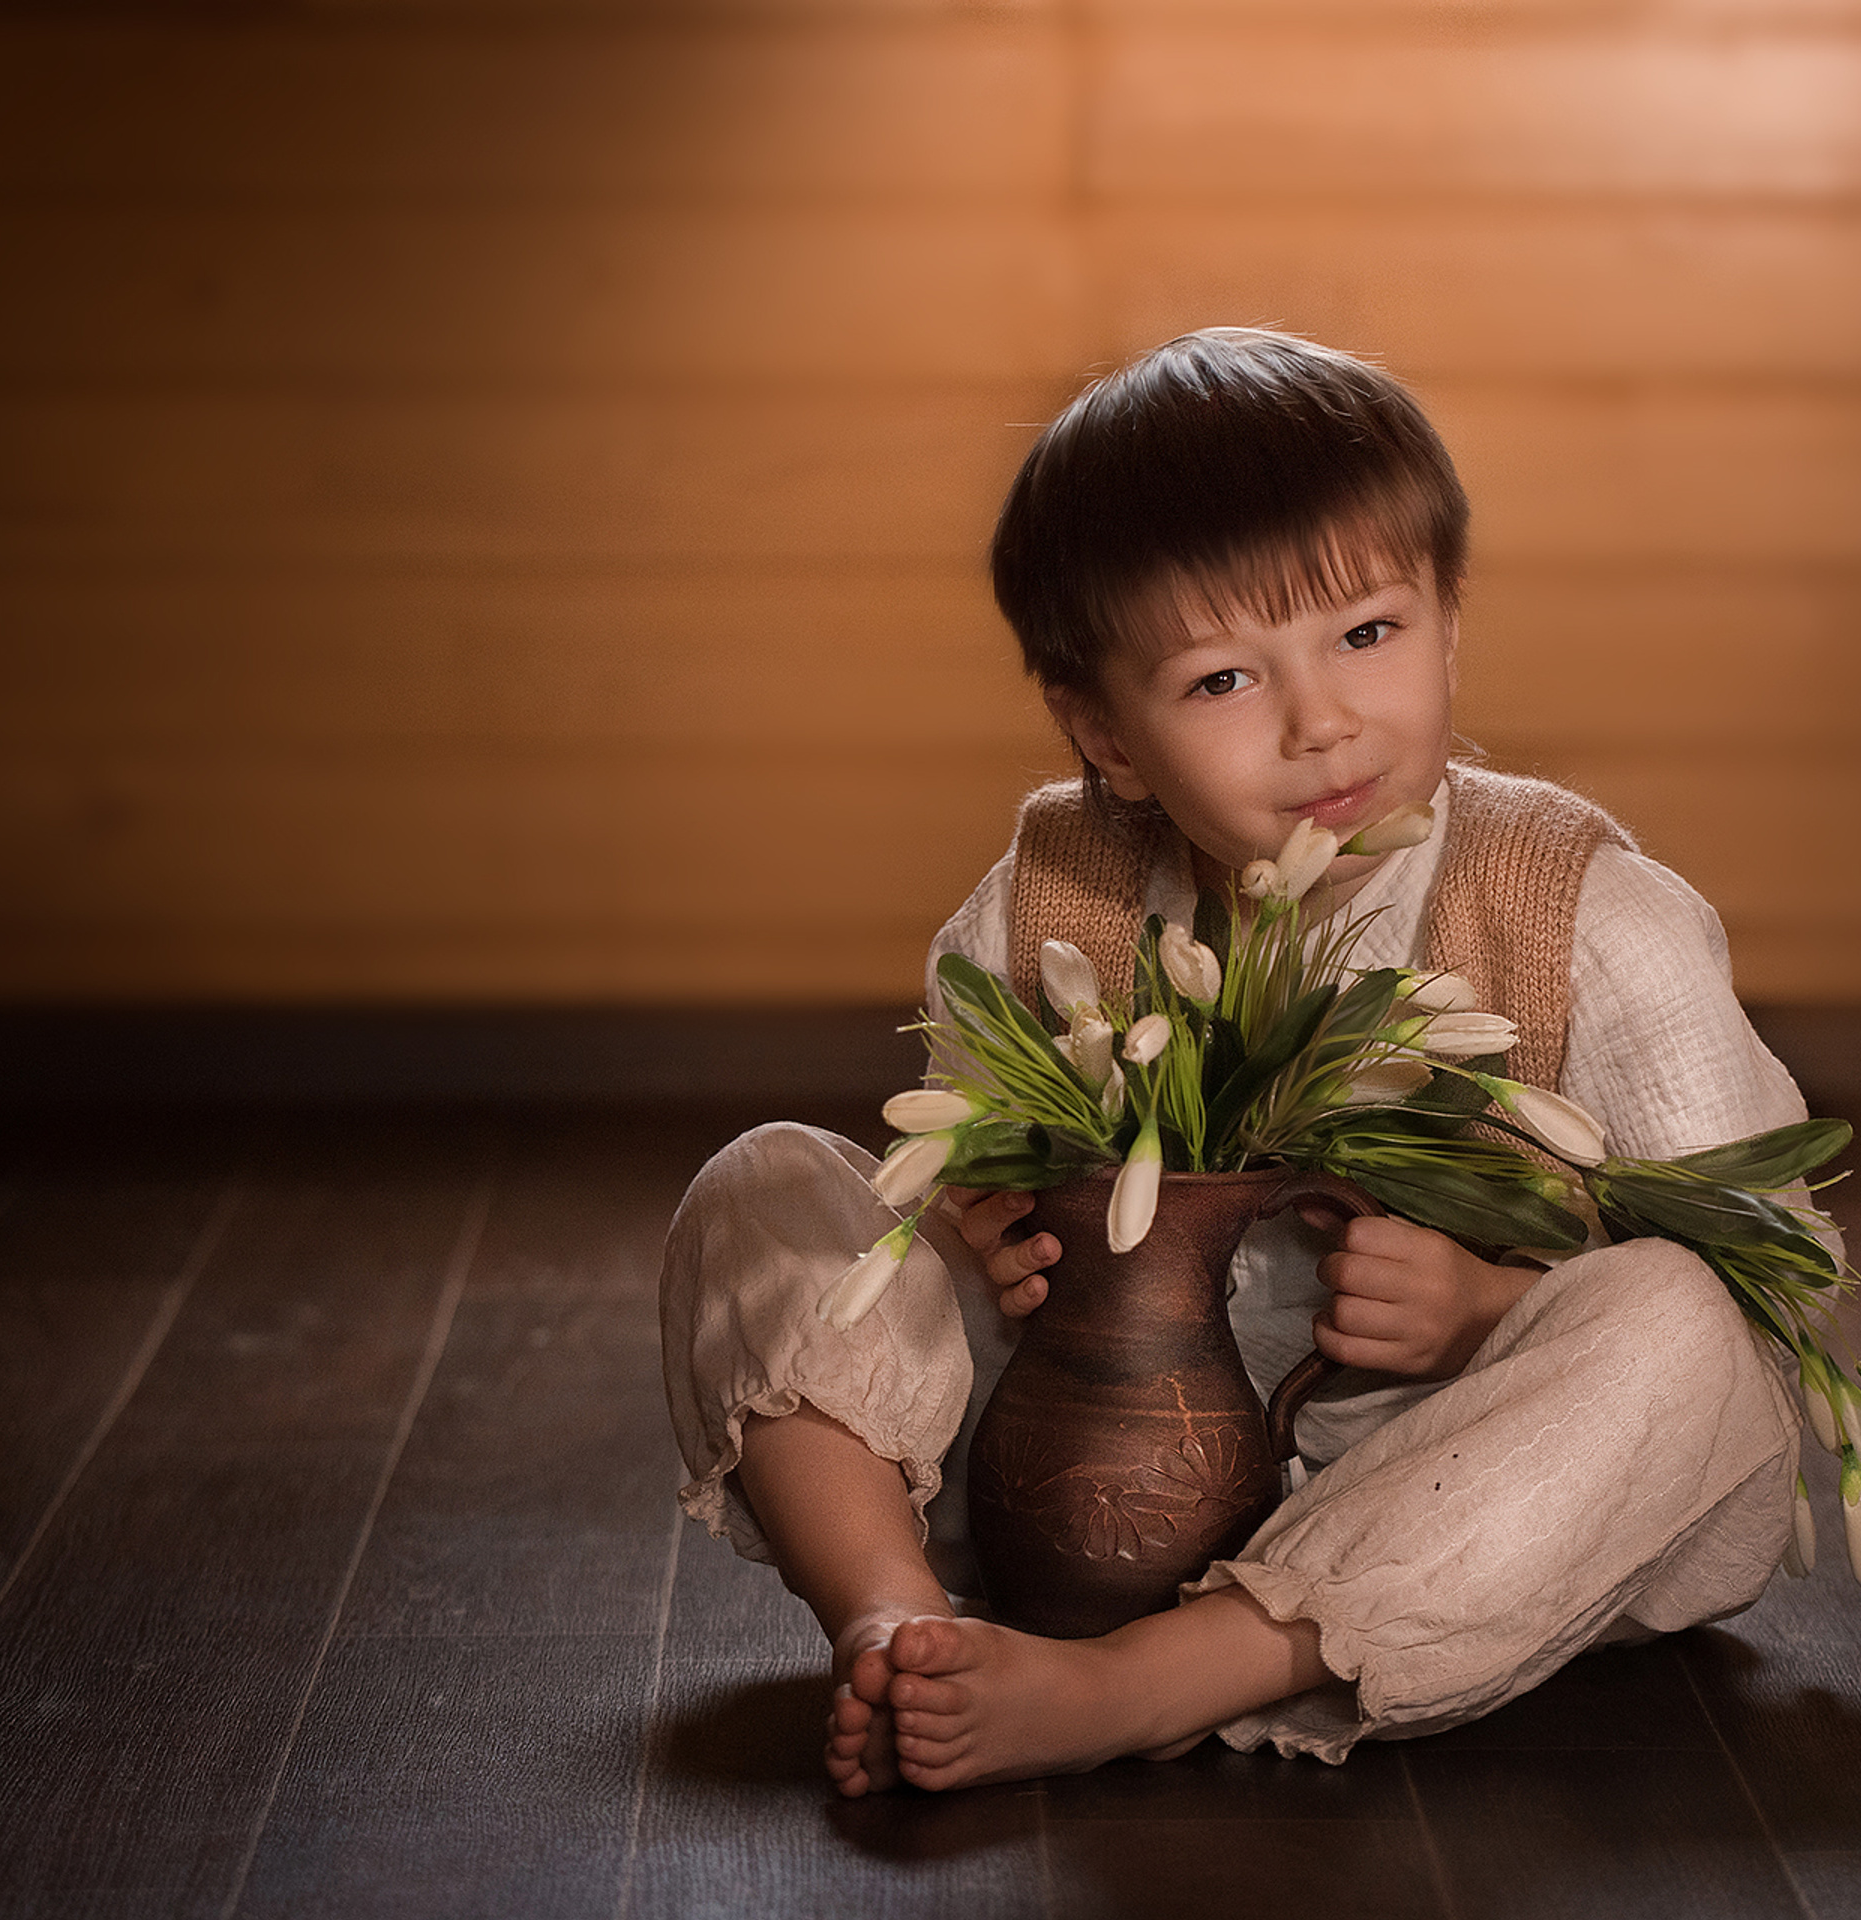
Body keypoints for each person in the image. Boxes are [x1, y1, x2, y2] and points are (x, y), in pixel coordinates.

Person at [658, 328, 1813, 1796]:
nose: (1321, 719)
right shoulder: (1058, 894)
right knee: (765, 1187)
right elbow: (957, 1158)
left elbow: (1777, 1283)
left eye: (1368, 635)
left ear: (1451, 622)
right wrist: (988, 1228)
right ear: (1107, 736)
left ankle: (1146, 1685)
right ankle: (898, 1620)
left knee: (1680, 1321)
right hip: (1085, 1488)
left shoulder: (1575, 909)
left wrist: (1488, 1309)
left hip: (1471, 1506)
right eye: (1220, 680)